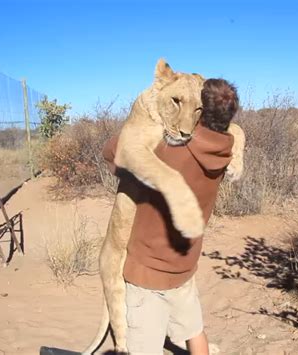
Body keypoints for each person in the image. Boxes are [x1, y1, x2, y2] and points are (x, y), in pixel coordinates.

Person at [103, 78, 240, 354]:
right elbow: (233, 131)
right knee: (193, 330)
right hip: (185, 263)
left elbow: (112, 153)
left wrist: (146, 120)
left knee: (143, 346)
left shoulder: (166, 151)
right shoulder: (226, 148)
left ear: (199, 109)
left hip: (149, 272)